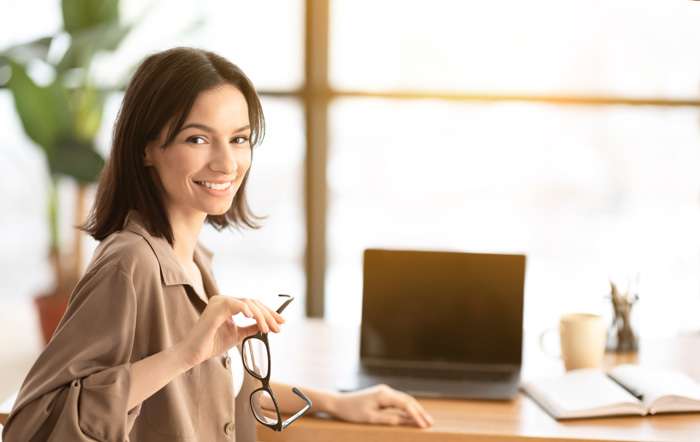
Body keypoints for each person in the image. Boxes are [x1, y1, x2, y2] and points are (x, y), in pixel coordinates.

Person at [2, 47, 433, 442]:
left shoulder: (192, 258)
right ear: (147, 148)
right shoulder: (130, 264)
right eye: (198, 139)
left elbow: (209, 394)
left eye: (239, 138)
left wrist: (336, 402)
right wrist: (185, 353)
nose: (227, 163)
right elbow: (31, 425)